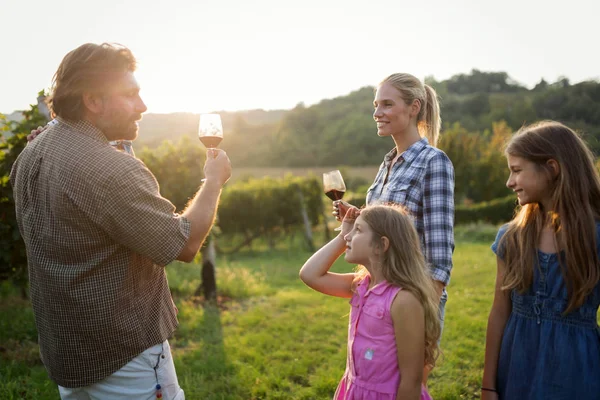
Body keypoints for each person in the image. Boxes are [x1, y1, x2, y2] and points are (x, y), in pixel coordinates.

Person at [10, 42, 232, 399]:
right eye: (130, 95)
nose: (143, 106)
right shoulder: (109, 168)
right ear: (92, 101)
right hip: (124, 355)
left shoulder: (33, 150)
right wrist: (213, 181)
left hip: (68, 351)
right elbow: (186, 243)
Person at [335, 73, 454, 380]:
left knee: (405, 388)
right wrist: (358, 217)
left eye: (387, 104)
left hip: (410, 303)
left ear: (414, 107)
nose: (377, 113)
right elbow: (388, 229)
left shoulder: (434, 162)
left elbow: (439, 257)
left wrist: (422, 311)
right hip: (375, 296)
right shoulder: (386, 164)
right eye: (376, 105)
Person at [481, 121, 600, 399]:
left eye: (517, 170)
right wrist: (488, 385)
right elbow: (499, 313)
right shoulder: (512, 238)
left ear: (552, 168)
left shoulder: (596, 237)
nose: (509, 182)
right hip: (516, 369)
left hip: (578, 373)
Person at [300, 204, 441, 400]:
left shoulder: (403, 300)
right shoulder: (360, 285)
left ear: (380, 245)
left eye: (357, 230)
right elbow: (309, 274)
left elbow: (411, 381)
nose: (348, 235)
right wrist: (342, 237)